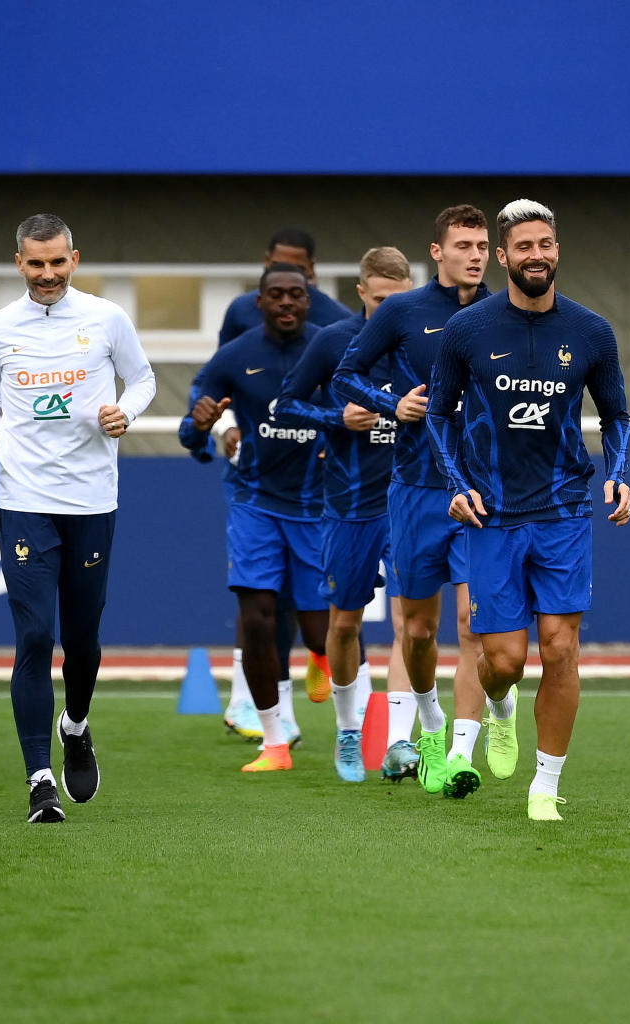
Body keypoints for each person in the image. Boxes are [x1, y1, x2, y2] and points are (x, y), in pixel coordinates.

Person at [426, 199, 630, 820]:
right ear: (505, 256)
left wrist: (618, 474)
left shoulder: (592, 332)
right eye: (522, 247)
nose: (535, 255)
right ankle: (499, 706)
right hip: (491, 515)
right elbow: (438, 414)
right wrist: (456, 484)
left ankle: (546, 786)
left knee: (560, 648)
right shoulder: (469, 330)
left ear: (556, 250)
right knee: (504, 661)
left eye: (545, 244)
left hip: (565, 509)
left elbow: (616, 414)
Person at [0, 214, 157, 823]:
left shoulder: (106, 318)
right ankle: (39, 778)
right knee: (35, 636)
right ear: (18, 262)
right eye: (35, 264)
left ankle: (76, 724)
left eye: (58, 262)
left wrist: (123, 411)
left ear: (75, 258)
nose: (47, 275)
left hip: (92, 499)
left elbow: (144, 379)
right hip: (23, 501)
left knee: (83, 641)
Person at [334, 205, 496, 791]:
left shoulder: (508, 312)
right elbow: (345, 376)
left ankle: (463, 750)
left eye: (483, 245)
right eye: (464, 245)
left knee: (475, 627)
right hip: (416, 490)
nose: (476, 254)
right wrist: (391, 404)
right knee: (419, 631)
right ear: (438, 252)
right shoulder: (403, 311)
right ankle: (428, 725)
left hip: (485, 492)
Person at [180, 263, 328, 773]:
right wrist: (203, 427)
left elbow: (362, 408)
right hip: (255, 502)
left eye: (296, 295)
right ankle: (274, 743)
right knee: (258, 618)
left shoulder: (330, 348)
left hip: (317, 506)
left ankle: (323, 659)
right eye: (276, 296)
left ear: (309, 300)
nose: (286, 303)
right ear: (259, 303)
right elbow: (191, 422)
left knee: (318, 630)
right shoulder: (236, 356)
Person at [273, 245, 412, 781]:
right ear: (361, 293)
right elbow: (286, 403)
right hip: (350, 507)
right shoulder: (334, 343)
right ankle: (349, 731)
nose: (391, 311)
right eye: (381, 301)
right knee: (345, 622)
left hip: (407, 502)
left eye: (400, 301)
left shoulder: (421, 342)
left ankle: (401, 738)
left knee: (411, 623)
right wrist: (337, 418)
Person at [217, 228, 353, 345]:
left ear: (310, 268)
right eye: (277, 266)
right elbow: (221, 367)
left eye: (296, 269)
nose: (285, 275)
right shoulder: (240, 309)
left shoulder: (338, 319)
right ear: (267, 261)